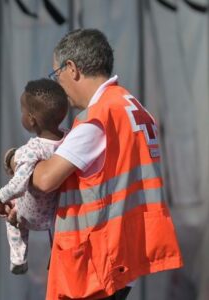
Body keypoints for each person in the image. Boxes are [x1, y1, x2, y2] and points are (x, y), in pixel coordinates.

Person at [28, 28, 183, 299]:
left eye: (56, 75)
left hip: (92, 263)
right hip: (121, 255)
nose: (57, 86)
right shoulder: (131, 106)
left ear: (72, 68)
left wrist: (17, 158)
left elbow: (44, 180)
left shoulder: (98, 118)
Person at [0, 78, 68, 275]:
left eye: (22, 111)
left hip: (29, 213)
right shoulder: (69, 140)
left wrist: (0, 196)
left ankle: (18, 258)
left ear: (31, 119)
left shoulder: (32, 148)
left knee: (12, 219)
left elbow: (18, 185)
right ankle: (56, 252)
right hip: (55, 215)